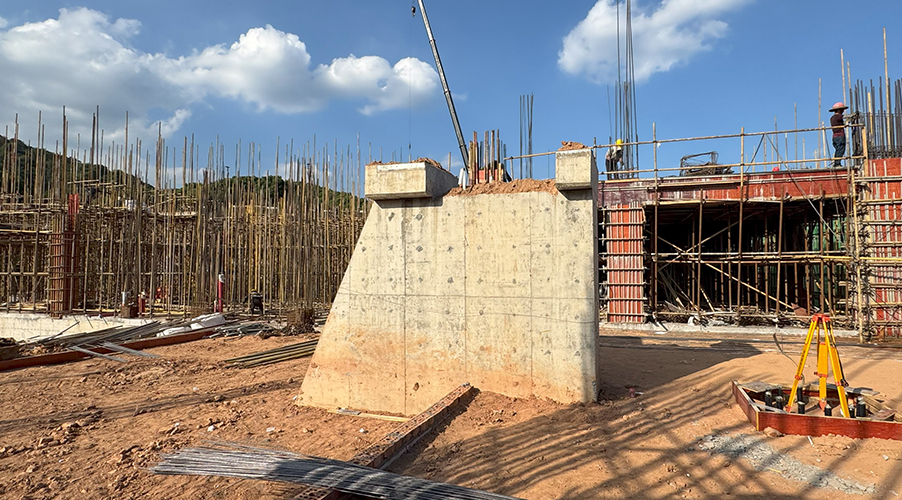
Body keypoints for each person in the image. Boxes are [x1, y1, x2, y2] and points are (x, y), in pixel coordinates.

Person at [830, 102, 848, 167]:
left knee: (838, 149)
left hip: (834, 137)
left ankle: (836, 162)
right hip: (840, 136)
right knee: (840, 149)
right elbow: (846, 117)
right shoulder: (839, 117)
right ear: (839, 110)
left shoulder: (832, 118)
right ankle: (837, 163)